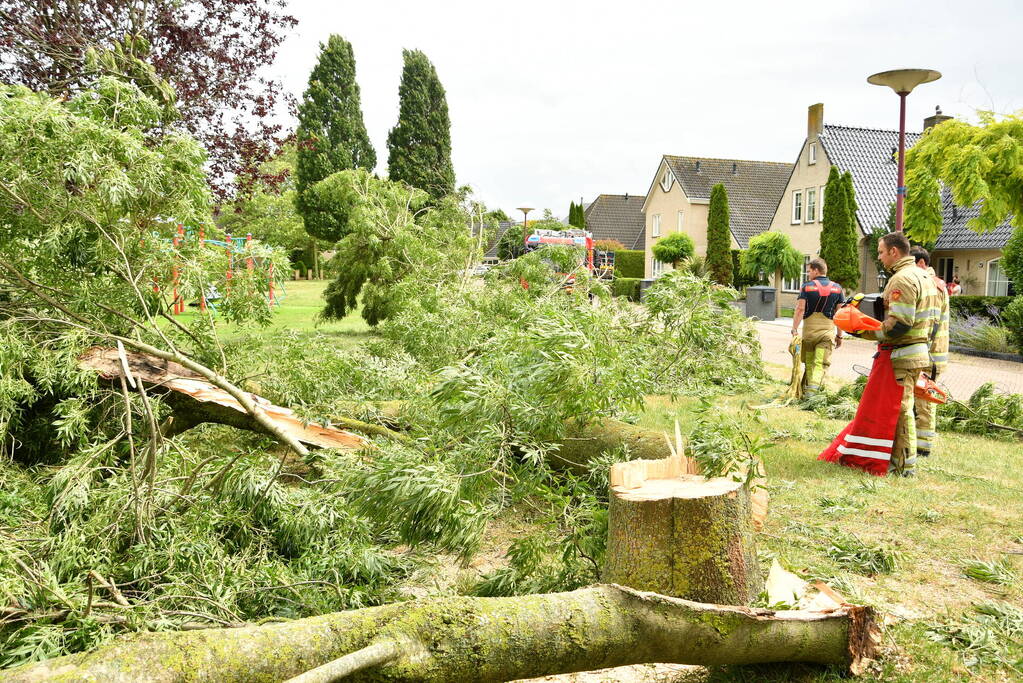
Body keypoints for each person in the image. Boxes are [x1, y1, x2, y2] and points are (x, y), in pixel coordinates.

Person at [818, 232, 941, 477]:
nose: (880, 257)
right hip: (919, 351)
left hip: (903, 354)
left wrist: (863, 331)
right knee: (903, 407)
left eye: (882, 252)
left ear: (895, 251)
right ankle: (902, 463)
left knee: (901, 408)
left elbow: (900, 324)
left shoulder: (902, 279)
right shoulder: (925, 277)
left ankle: (904, 467)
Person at [910, 246, 950, 458]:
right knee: (921, 399)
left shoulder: (931, 285)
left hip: (929, 355)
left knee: (925, 400)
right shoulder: (934, 284)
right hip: (931, 354)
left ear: (922, 264)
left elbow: (929, 322)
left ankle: (923, 447)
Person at [790, 258, 844, 397]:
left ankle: (806, 391)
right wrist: (839, 335)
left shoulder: (806, 287)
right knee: (820, 363)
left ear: (816, 270)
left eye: (809, 271)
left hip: (808, 335)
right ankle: (812, 395)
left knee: (809, 363)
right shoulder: (837, 288)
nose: (808, 274)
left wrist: (794, 329)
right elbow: (840, 314)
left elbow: (800, 309)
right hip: (826, 335)